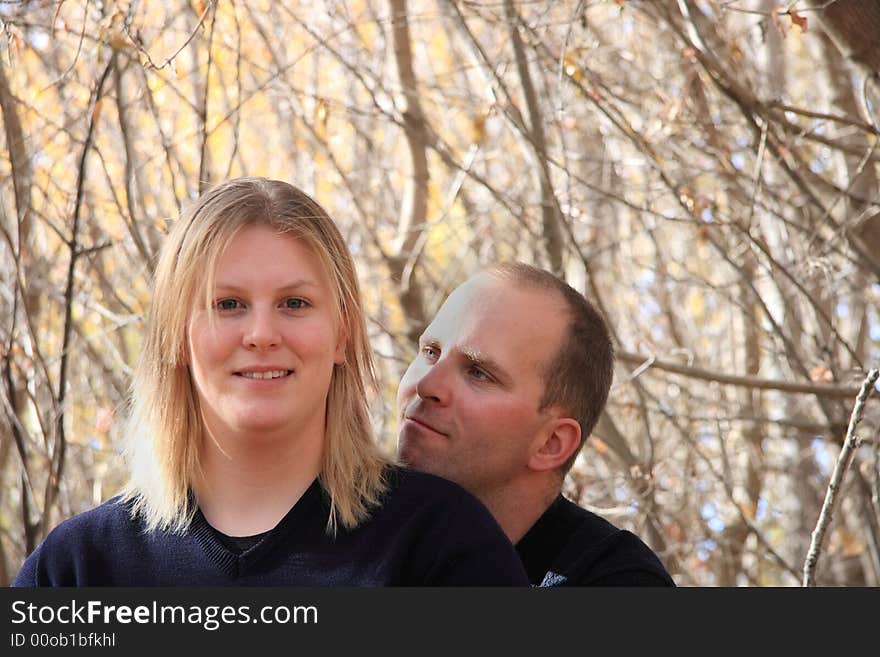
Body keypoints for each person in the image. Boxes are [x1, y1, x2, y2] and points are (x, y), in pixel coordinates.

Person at [14, 177, 528, 586]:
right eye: (228, 305)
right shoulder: (76, 572)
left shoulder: (440, 546)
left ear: (342, 334)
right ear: (175, 335)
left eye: (295, 304)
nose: (261, 334)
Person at [397, 262, 675, 586]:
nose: (427, 385)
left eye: (478, 372)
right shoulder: (340, 523)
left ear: (551, 443)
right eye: (431, 352)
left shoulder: (615, 578)